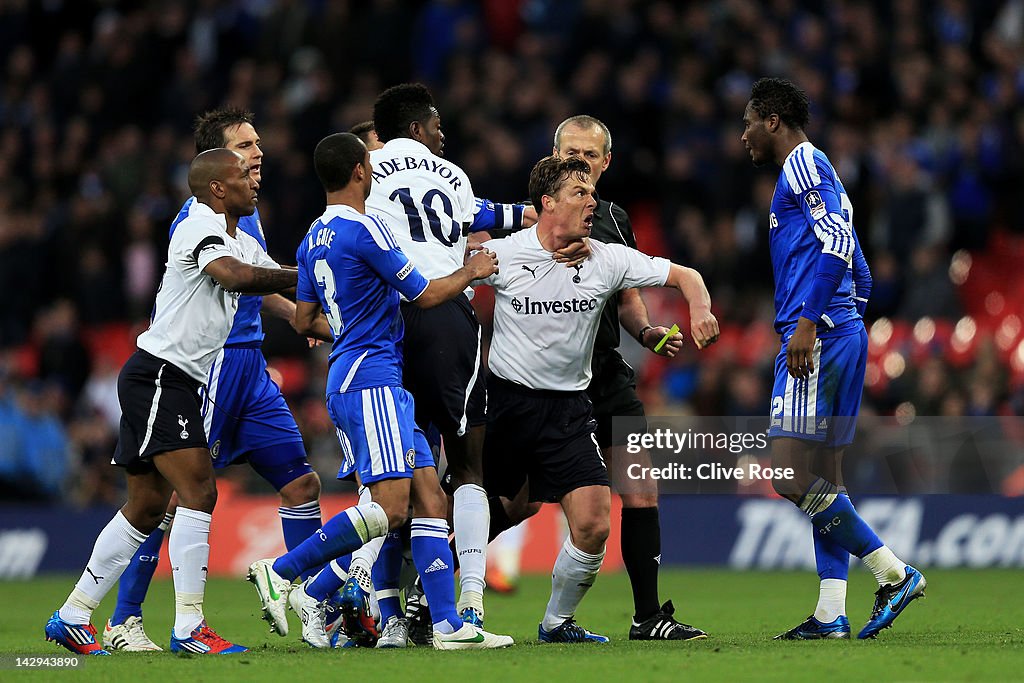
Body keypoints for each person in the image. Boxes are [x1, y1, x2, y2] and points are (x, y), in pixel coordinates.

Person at [247, 132, 513, 650]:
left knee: (430, 496)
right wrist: (473, 269)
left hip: (354, 374)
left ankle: (447, 626)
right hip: (373, 380)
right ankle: (285, 575)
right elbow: (427, 293)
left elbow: (305, 319)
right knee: (391, 508)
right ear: (359, 172)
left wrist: (351, 328)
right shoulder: (367, 230)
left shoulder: (312, 237)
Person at [45, 148, 297, 655]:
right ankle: (188, 627)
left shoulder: (241, 239)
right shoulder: (198, 224)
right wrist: (304, 269)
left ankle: (72, 615)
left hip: (161, 379)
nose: (254, 184)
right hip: (163, 377)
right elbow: (234, 276)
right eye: (242, 177)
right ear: (217, 188)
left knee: (146, 505)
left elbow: (281, 291)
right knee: (200, 491)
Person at [104, 108, 333, 652]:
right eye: (244, 146)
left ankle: (313, 606)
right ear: (217, 166)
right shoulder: (203, 215)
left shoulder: (246, 214)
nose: (257, 153)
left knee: (302, 484)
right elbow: (238, 277)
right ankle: (126, 618)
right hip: (210, 366)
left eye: (257, 144)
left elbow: (261, 284)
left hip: (253, 368)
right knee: (172, 495)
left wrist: (313, 321)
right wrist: (319, 279)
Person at [476, 115, 708, 640]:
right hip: (540, 386)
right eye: (570, 154)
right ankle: (435, 570)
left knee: (641, 487)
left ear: (606, 162)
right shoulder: (533, 219)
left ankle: (648, 615)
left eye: (589, 157)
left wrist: (648, 333)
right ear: (555, 157)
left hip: (602, 374)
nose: (579, 163)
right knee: (519, 504)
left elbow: (628, 294)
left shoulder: (612, 221)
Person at [740, 77, 926, 640]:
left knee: (788, 474)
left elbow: (838, 244)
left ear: (772, 119)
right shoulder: (823, 173)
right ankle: (830, 613)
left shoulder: (800, 162)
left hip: (815, 339)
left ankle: (892, 573)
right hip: (838, 333)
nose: (743, 134)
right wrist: (846, 319)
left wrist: (811, 322)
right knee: (825, 477)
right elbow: (859, 267)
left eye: (748, 121)